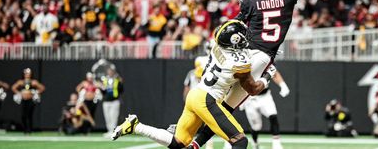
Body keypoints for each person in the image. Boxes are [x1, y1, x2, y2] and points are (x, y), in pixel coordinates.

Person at [189, 0, 338, 149]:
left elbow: (235, 25)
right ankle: (197, 141)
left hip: (242, 52)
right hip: (262, 58)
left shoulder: (250, 0)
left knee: (214, 97)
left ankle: (193, 138)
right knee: (226, 107)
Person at [112, 20, 277, 149]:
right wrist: (268, 75)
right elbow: (253, 89)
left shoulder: (216, 46)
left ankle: (136, 126)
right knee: (240, 141)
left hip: (195, 94)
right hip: (207, 100)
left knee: (180, 143)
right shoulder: (239, 62)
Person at [239, 71, 290, 149]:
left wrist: (283, 85)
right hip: (249, 98)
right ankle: (255, 141)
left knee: (273, 116)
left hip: (265, 96)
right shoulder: (247, 61)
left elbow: (274, 72)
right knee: (256, 127)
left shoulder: (266, 59)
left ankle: (276, 144)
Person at [11, 68, 45, 133]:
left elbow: (42, 88)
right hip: (24, 100)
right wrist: (19, 93)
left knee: (29, 115)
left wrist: (35, 92)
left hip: (31, 100)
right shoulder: (21, 82)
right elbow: (13, 88)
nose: (27, 75)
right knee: (23, 115)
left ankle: (29, 129)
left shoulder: (33, 82)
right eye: (26, 73)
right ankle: (25, 129)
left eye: (28, 73)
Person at [101, 68, 124, 137]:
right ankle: (109, 131)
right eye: (109, 72)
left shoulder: (117, 80)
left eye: (111, 72)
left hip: (115, 101)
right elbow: (103, 91)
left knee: (113, 116)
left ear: (113, 73)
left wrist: (121, 82)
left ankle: (113, 131)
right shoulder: (105, 80)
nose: (110, 73)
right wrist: (101, 87)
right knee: (107, 117)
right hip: (106, 101)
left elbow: (121, 90)